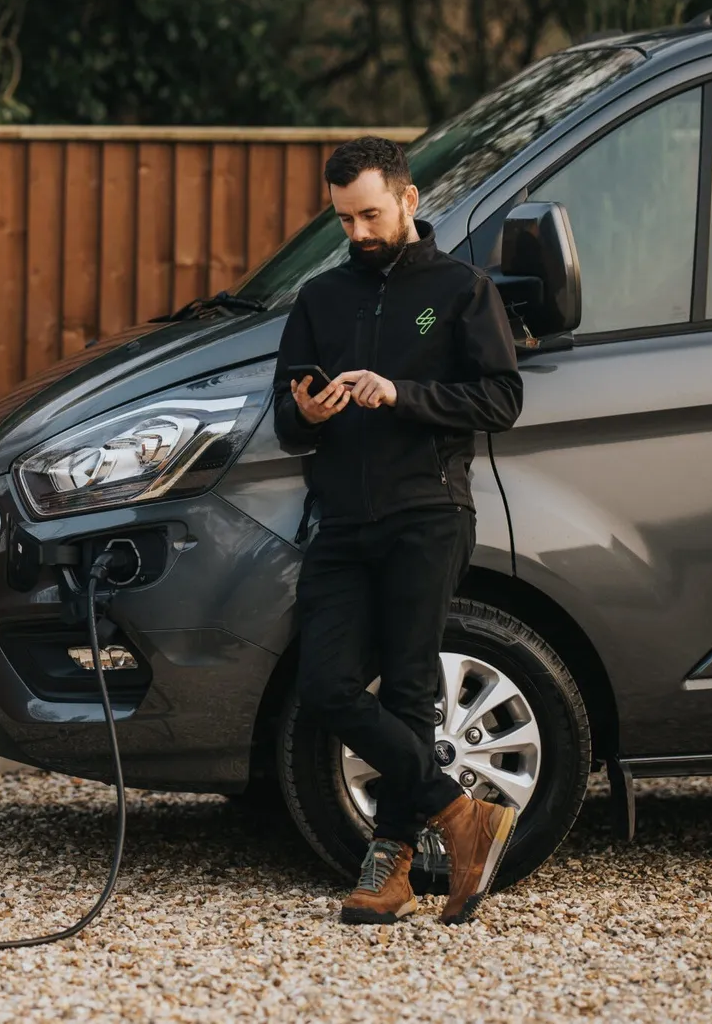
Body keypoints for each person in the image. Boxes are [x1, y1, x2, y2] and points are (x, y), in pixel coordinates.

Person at [273, 135, 524, 926]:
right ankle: (462, 812)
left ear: (409, 200)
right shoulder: (320, 300)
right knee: (327, 685)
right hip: (342, 522)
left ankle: (388, 874)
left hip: (428, 512)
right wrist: (305, 412)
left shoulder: (460, 289)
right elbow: (286, 415)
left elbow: (500, 400)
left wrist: (400, 394)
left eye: (370, 214)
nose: (357, 233)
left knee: (412, 693)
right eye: (344, 219)